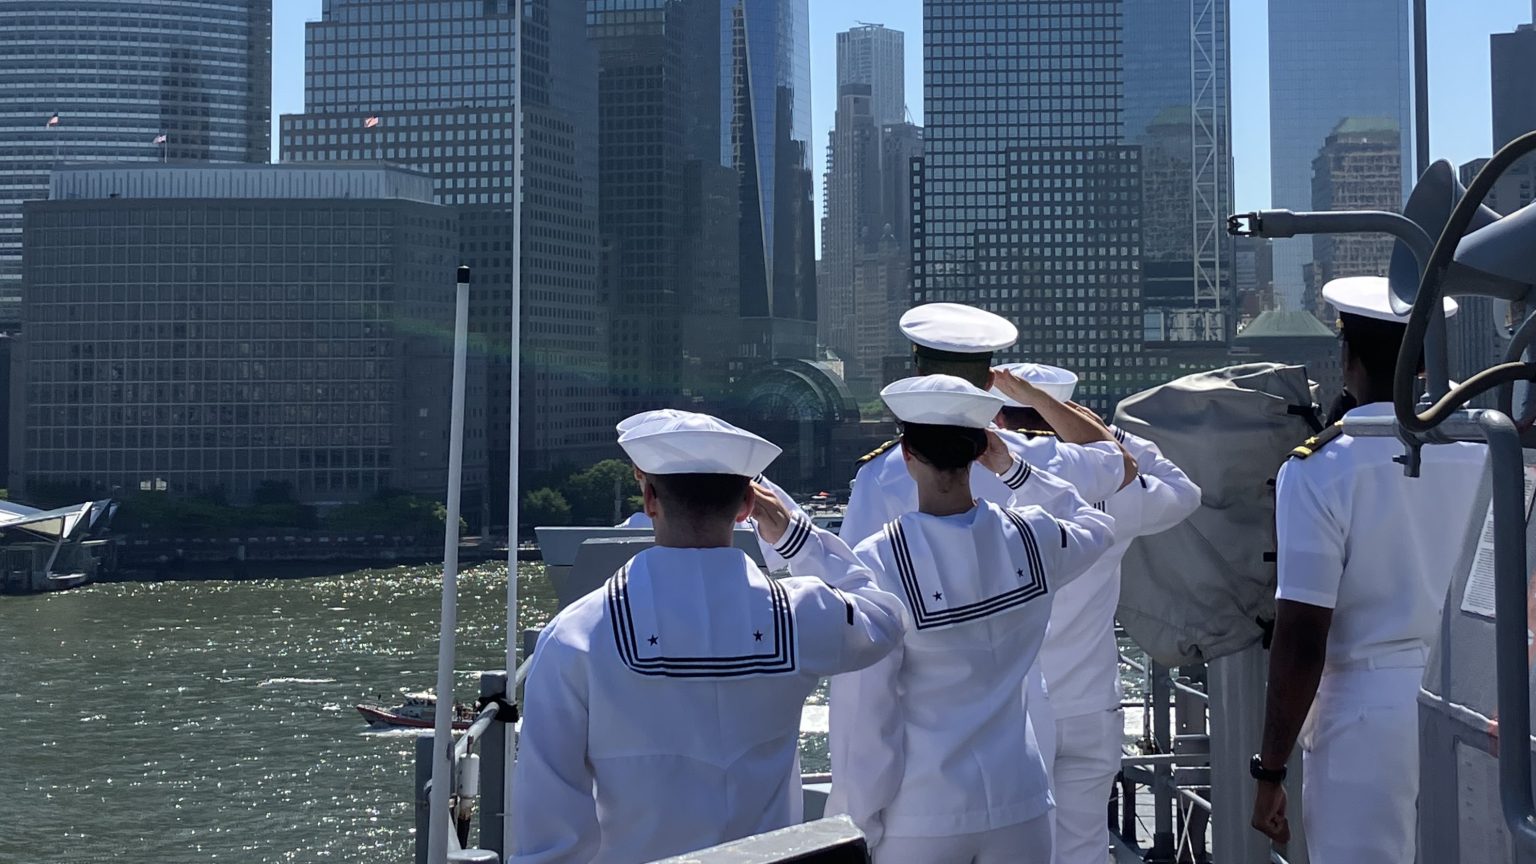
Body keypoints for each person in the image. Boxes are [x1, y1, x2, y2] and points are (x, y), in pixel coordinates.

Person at [510, 412, 906, 864]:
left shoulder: (576, 636)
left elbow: (550, 826)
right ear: (746, 507)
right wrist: (797, 538)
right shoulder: (799, 616)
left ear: (650, 499)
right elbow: (885, 615)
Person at [777, 375, 1116, 863]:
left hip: (922, 812)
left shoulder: (879, 562)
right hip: (1019, 802)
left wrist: (858, 822)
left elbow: (868, 719)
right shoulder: (1033, 537)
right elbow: (1095, 525)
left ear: (906, 454)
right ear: (981, 449)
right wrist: (1015, 470)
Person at [840, 303, 1136, 793]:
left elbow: (858, 611)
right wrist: (1032, 397)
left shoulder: (882, 474)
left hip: (924, 730)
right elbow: (1118, 464)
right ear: (990, 382)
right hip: (1020, 716)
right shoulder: (1033, 455)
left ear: (917, 372)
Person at [1249, 276, 1485, 864]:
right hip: (1472, 698)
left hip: (1363, 713)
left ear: (1346, 356)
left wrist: (1269, 768)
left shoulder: (1319, 469)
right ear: (1426, 361)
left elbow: (1303, 637)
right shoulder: (1483, 450)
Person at [994, 363, 1203, 864]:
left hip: (1012, 706)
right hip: (1090, 702)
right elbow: (1183, 490)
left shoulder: (991, 484)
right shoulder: (1119, 492)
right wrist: (1107, 432)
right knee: (1085, 845)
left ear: (1000, 420)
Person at [610, 408, 807, 571]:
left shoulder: (590, 613)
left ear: (648, 497)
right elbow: (832, 578)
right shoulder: (794, 607)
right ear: (747, 501)